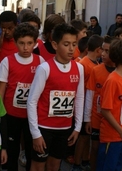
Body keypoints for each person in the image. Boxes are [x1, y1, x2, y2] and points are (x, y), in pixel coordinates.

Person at [27, 23, 85, 171]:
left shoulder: (79, 68)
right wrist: (35, 133)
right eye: (66, 44)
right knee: (38, 166)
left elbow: (79, 98)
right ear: (55, 44)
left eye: (74, 44)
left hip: (64, 128)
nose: (71, 49)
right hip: (44, 128)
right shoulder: (44, 68)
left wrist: (77, 127)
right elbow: (32, 101)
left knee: (54, 165)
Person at [0, 23, 45, 171]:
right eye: (21, 43)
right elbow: (1, 90)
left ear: (35, 43)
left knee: (31, 149)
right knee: (12, 149)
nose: (25, 47)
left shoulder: (40, 62)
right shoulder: (7, 62)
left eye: (29, 43)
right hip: (11, 114)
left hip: (32, 116)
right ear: (15, 43)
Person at [97, 39, 122, 171]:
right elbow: (105, 110)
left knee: (118, 166)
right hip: (112, 135)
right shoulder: (113, 80)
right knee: (108, 167)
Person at [84, 35, 117, 171]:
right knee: (96, 148)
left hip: (113, 120)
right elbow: (90, 95)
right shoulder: (96, 70)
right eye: (102, 50)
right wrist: (87, 119)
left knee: (110, 151)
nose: (103, 54)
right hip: (97, 117)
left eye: (107, 51)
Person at [72, 35, 104, 171]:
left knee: (87, 137)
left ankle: (85, 160)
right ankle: (76, 163)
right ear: (98, 50)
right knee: (83, 138)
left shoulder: (95, 63)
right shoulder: (83, 64)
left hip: (90, 107)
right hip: (83, 105)